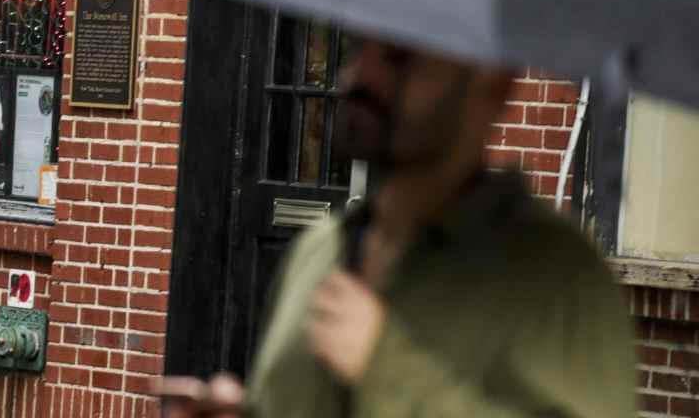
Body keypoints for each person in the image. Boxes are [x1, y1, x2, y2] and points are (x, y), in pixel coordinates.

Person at [159, 36, 635, 417]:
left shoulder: (561, 279)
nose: (360, 75)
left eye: (399, 56)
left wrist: (384, 368)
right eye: (357, 47)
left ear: (491, 85)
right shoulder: (318, 251)